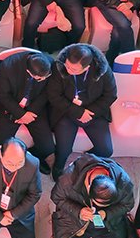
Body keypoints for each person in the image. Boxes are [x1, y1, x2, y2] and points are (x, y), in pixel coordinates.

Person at [51, 153, 134, 238]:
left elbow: (128, 204)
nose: (99, 206)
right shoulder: (68, 179)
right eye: (98, 203)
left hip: (106, 225)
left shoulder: (123, 181)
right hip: (75, 223)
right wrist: (78, 211)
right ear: (88, 187)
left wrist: (106, 213)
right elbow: (56, 197)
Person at [47, 43, 117, 179]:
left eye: (73, 69)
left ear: (87, 68)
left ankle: (85, 161)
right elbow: (54, 95)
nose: (68, 70)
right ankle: (58, 167)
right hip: (66, 111)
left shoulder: (103, 71)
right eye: (67, 66)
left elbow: (110, 95)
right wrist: (78, 112)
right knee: (64, 150)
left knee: (106, 150)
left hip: (93, 112)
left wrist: (89, 112)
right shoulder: (59, 66)